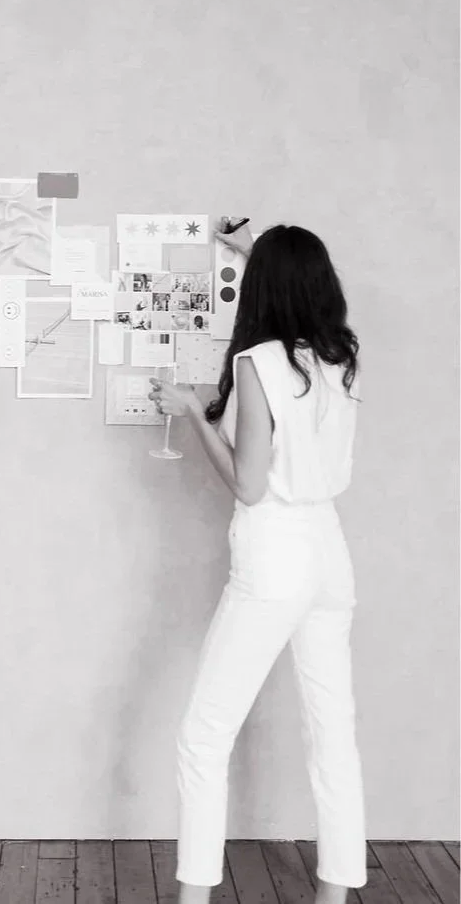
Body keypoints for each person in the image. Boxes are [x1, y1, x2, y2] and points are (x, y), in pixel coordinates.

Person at [149, 222, 365, 904]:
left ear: (261, 287)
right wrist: (255, 252)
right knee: (333, 733)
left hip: (274, 555)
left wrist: (192, 413)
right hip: (329, 553)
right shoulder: (340, 357)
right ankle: (335, 894)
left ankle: (193, 898)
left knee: (203, 737)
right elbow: (297, 283)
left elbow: (248, 485)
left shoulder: (257, 363)